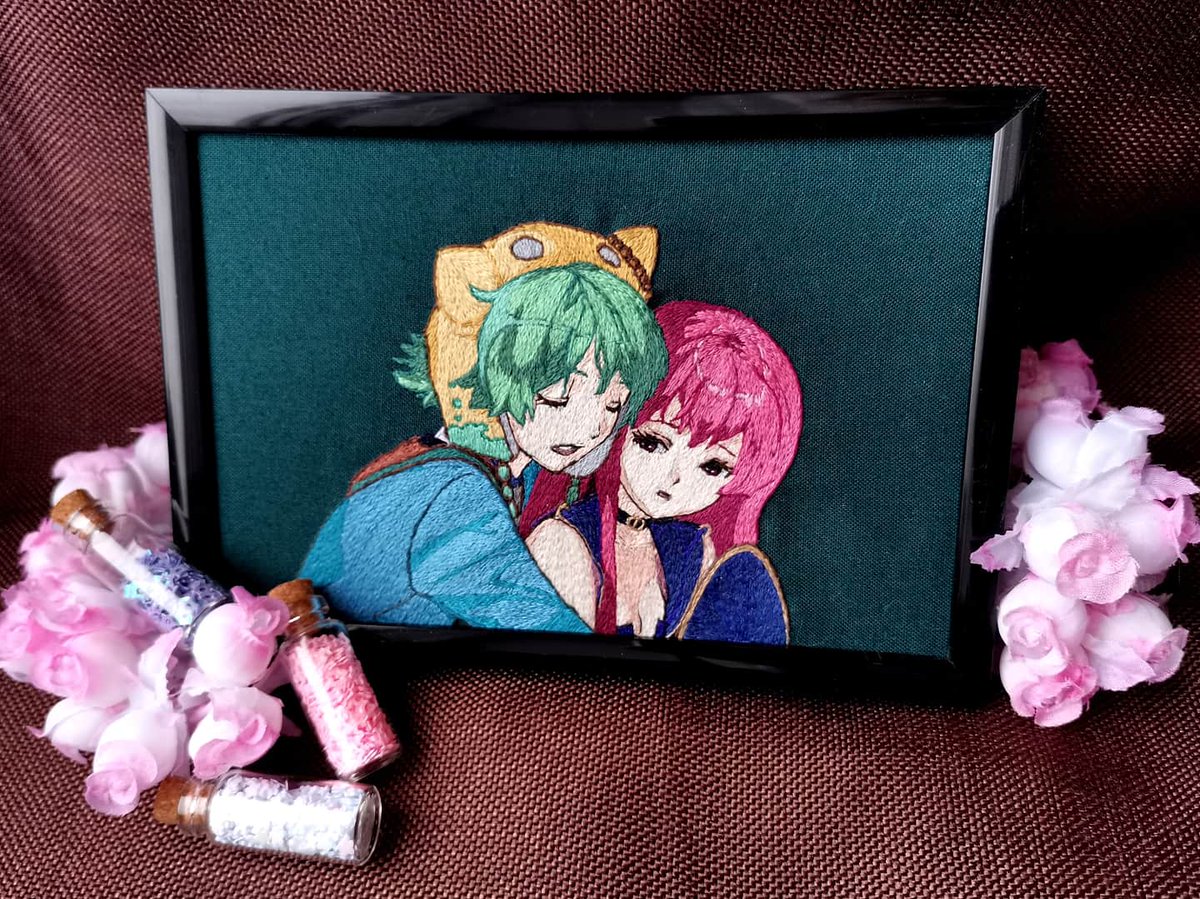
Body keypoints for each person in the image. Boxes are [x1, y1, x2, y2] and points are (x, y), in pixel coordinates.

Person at [299, 258, 668, 631]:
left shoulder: (521, 470)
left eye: (612, 406)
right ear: (507, 371)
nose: (590, 429)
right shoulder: (450, 484)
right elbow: (525, 612)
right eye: (560, 397)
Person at [525, 300, 803, 644]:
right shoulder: (562, 541)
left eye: (713, 466)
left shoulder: (696, 551)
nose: (675, 478)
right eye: (653, 442)